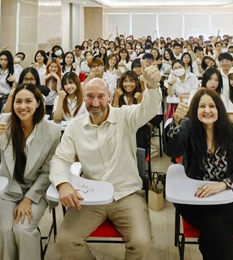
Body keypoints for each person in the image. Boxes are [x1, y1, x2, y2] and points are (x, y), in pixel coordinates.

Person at [49, 65, 163, 260]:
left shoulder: (125, 116)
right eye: (90, 96)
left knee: (141, 243)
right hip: (90, 194)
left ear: (109, 96)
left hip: (126, 194)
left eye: (100, 96)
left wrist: (152, 87)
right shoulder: (75, 126)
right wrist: (63, 183)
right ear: (83, 97)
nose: (95, 102)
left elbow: (149, 108)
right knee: (66, 241)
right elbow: (60, 158)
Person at [164, 88, 233, 260]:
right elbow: (171, 150)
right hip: (195, 198)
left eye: (212, 106)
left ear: (219, 108)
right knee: (215, 230)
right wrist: (175, 121)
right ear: (194, 110)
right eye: (201, 106)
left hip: (229, 199)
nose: (207, 110)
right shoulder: (188, 128)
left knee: (212, 232)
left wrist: (222, 185)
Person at [0, 84, 61, 260]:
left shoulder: (52, 131)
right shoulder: (4, 122)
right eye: (18, 101)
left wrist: (28, 199)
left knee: (23, 229)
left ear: (38, 103)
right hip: (7, 188)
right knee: (5, 230)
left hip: (36, 191)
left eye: (28, 101)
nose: (22, 106)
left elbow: (48, 172)